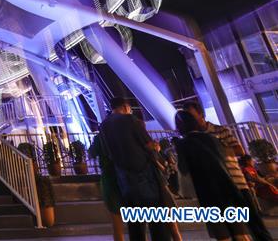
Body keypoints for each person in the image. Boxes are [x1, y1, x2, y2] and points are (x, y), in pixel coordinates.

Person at [185, 103, 271, 241]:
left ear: (201, 114)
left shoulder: (220, 130)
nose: (190, 119)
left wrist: (215, 150)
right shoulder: (193, 138)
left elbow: (239, 150)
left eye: (191, 115)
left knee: (254, 223)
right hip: (218, 188)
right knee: (236, 228)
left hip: (237, 183)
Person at [97, 97, 169, 241]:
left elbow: (107, 151)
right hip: (144, 175)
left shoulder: (103, 126)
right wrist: (156, 147)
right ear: (125, 107)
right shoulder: (130, 120)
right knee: (156, 220)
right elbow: (148, 144)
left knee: (135, 222)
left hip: (124, 178)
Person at [174, 109, 251, 241]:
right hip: (226, 186)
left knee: (222, 233)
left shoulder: (183, 143)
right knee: (240, 231)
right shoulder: (212, 138)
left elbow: (183, 169)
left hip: (206, 191)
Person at [90, 121, 126, 241]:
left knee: (117, 224)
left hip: (110, 180)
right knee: (138, 224)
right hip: (128, 178)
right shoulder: (123, 136)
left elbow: (91, 153)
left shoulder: (100, 138)